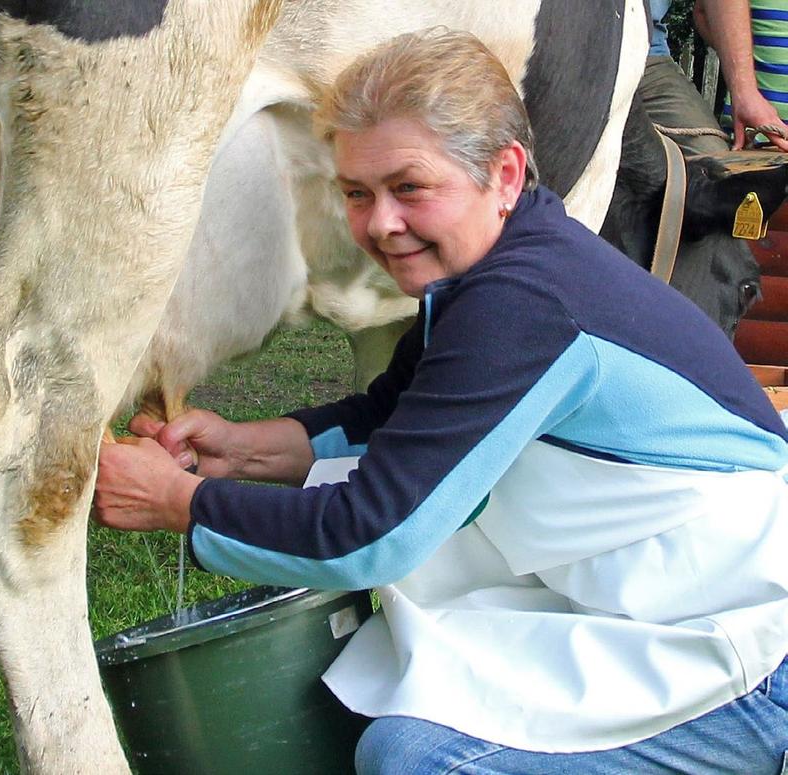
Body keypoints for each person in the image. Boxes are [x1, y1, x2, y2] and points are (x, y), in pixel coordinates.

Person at [94, 29, 788, 773]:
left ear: (506, 173)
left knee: (419, 757)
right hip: (647, 613)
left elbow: (369, 536)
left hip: (748, 658)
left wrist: (181, 502)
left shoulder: (522, 302)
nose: (380, 224)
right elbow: (391, 417)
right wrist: (243, 447)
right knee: (392, 679)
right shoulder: (511, 259)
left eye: (409, 187)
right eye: (357, 193)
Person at [643, 0, 788, 152]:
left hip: (648, 52)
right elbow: (704, 13)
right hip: (758, 133)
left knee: (711, 162)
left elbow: (704, 13)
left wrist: (744, 86)